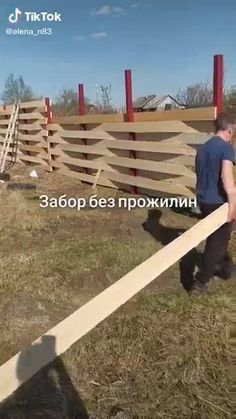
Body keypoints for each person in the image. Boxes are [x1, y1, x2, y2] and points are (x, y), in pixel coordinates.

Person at [191, 113, 236, 294]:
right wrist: (233, 203)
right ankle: (200, 282)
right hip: (218, 202)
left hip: (203, 199)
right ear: (230, 129)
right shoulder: (226, 148)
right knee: (217, 241)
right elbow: (226, 177)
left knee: (218, 237)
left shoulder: (203, 148)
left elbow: (201, 175)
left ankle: (217, 265)